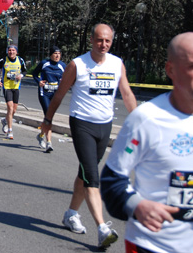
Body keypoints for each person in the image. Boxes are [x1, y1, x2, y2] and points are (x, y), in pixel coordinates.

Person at [100, 32, 193, 253]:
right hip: (150, 245)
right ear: (171, 70)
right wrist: (137, 205)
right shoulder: (146, 119)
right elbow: (112, 180)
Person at [42, 23, 137, 250]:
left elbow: (127, 94)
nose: (103, 45)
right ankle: (103, 229)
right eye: (99, 40)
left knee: (85, 173)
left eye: (107, 41)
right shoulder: (77, 64)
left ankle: (71, 214)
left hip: (104, 126)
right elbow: (59, 94)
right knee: (92, 177)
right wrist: (47, 121)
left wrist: (138, 124)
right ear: (91, 40)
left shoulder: (117, 64)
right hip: (82, 123)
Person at [34, 46, 66, 153]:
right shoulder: (44, 63)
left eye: (59, 54)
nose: (57, 56)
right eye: (55, 53)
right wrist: (39, 81)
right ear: (51, 54)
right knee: (49, 116)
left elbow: (67, 78)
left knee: (48, 118)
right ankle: (49, 143)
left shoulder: (62, 66)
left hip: (55, 94)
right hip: (44, 93)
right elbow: (35, 74)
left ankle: (41, 135)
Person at [0, 45, 27, 140]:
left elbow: (24, 71)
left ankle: (5, 120)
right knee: (10, 107)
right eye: (9, 50)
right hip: (7, 87)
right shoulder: (3, 60)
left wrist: (21, 75)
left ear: (16, 52)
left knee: (14, 110)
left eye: (13, 50)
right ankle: (10, 130)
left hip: (16, 87)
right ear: (7, 52)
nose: (11, 52)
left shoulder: (20, 60)